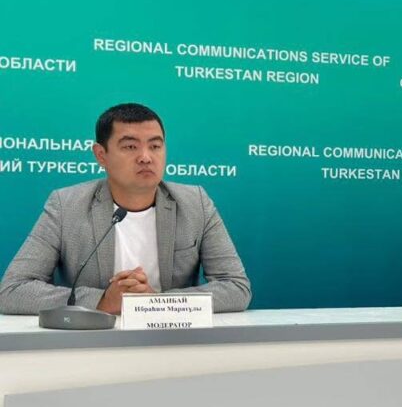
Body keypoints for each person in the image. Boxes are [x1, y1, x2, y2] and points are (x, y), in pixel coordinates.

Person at [0, 103, 251, 315]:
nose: (146, 157)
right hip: (91, 343)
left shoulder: (195, 203)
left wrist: (157, 303)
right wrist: (101, 301)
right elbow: (12, 290)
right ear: (101, 155)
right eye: (130, 146)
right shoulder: (66, 206)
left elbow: (236, 287)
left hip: (171, 338)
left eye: (155, 146)